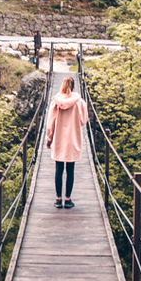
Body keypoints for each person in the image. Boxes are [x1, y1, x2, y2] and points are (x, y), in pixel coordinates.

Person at [45, 74, 89, 209]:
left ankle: (58, 199)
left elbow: (49, 124)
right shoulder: (80, 102)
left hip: (58, 139)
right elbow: (83, 121)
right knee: (70, 170)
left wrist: (49, 138)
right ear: (74, 87)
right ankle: (68, 199)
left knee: (58, 169)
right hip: (72, 140)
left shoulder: (55, 102)